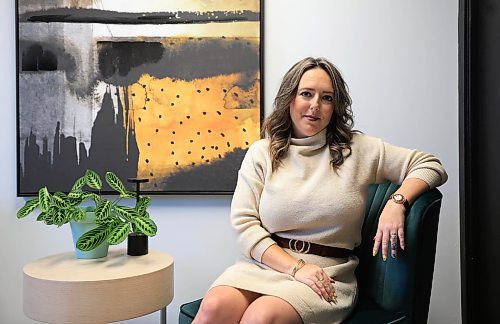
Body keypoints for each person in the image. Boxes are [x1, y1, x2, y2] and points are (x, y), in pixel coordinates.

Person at [193, 57, 448, 324]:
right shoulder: (262, 153)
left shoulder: (358, 150)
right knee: (214, 307)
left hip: (327, 275)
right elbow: (245, 225)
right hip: (264, 265)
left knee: (261, 316)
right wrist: (295, 268)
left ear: (335, 106)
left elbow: (430, 165)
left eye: (326, 98)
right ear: (289, 98)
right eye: (306, 94)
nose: (315, 106)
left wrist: (398, 201)